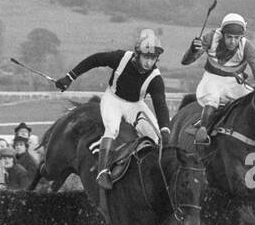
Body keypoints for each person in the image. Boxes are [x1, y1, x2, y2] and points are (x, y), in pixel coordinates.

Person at [52, 30, 172, 189]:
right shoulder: (121, 58)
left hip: (135, 104)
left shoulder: (156, 79)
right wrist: (70, 77)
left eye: (153, 58)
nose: (149, 63)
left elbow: (160, 104)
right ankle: (102, 172)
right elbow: (94, 60)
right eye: (146, 57)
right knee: (112, 129)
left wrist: (165, 129)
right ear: (137, 54)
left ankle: (161, 176)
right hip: (113, 100)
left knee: (157, 137)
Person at [179, 13, 255, 145]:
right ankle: (203, 130)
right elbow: (186, 62)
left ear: (242, 37)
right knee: (212, 96)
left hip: (235, 82)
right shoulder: (210, 38)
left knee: (253, 99)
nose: (232, 41)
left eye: (236, 38)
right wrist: (192, 50)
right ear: (222, 34)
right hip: (212, 78)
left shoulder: (248, 48)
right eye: (229, 37)